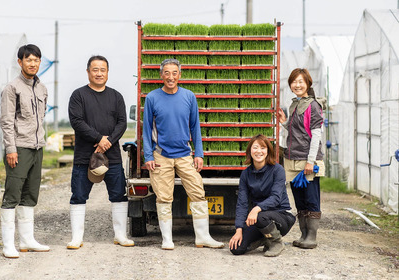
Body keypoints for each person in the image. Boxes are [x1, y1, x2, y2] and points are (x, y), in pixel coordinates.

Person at [143, 58, 224, 250]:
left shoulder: (189, 97)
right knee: (163, 197)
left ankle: (203, 237)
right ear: (161, 75)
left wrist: (199, 154)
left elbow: (195, 127)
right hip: (161, 155)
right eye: (167, 73)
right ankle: (167, 239)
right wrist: (148, 156)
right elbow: (146, 130)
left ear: (180, 75)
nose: (170, 77)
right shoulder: (152, 98)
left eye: (174, 73)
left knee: (198, 192)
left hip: (185, 154)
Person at [67, 55, 133, 249]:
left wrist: (108, 142)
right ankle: (76, 238)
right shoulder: (78, 95)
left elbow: (122, 122)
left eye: (102, 70)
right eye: (95, 69)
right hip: (84, 157)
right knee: (78, 195)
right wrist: (99, 139)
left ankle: (120, 235)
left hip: (111, 157)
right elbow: (77, 121)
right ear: (88, 72)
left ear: (107, 72)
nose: (99, 73)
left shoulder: (116, 96)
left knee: (119, 195)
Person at [0, 44, 50, 258]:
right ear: (20, 62)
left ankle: (27, 240)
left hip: (37, 147)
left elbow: (42, 116)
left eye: (36, 60)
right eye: (28, 60)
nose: (33, 63)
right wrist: (11, 148)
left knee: (30, 194)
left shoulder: (42, 88)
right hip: (19, 148)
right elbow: (7, 121)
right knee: (13, 195)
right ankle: (8, 245)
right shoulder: (12, 88)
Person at [278, 68, 326, 249]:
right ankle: (304, 235)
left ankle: (311, 237)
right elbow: (297, 133)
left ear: (308, 84)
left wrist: (310, 161)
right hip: (293, 159)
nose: (297, 85)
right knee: (299, 199)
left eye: (301, 82)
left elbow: (315, 136)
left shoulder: (313, 105)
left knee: (311, 198)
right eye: (294, 82)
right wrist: (284, 122)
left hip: (306, 160)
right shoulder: (296, 104)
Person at [229, 135, 296, 257]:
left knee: (260, 216)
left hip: (281, 216)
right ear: (250, 151)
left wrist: (256, 208)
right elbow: (242, 203)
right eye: (255, 147)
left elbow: (276, 198)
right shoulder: (246, 174)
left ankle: (276, 242)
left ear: (268, 151)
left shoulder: (278, 170)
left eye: (263, 148)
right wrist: (239, 229)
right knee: (237, 248)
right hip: (259, 219)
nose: (259, 151)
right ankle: (266, 239)